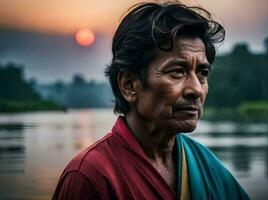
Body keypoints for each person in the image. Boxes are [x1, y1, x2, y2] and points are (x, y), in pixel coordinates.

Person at [53, 2, 250, 200]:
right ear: (129, 85)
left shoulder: (206, 166)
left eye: (202, 73)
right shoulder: (90, 177)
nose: (196, 90)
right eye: (177, 72)